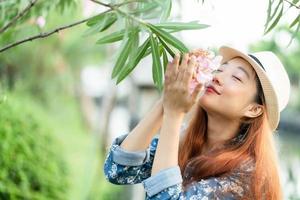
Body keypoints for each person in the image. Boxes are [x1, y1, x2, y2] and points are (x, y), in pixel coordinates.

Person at [103, 45, 291, 199]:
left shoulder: (247, 178)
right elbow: (119, 170)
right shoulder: (186, 140)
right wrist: (168, 98)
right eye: (219, 69)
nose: (217, 77)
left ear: (254, 109)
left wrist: (174, 113)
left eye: (236, 78)